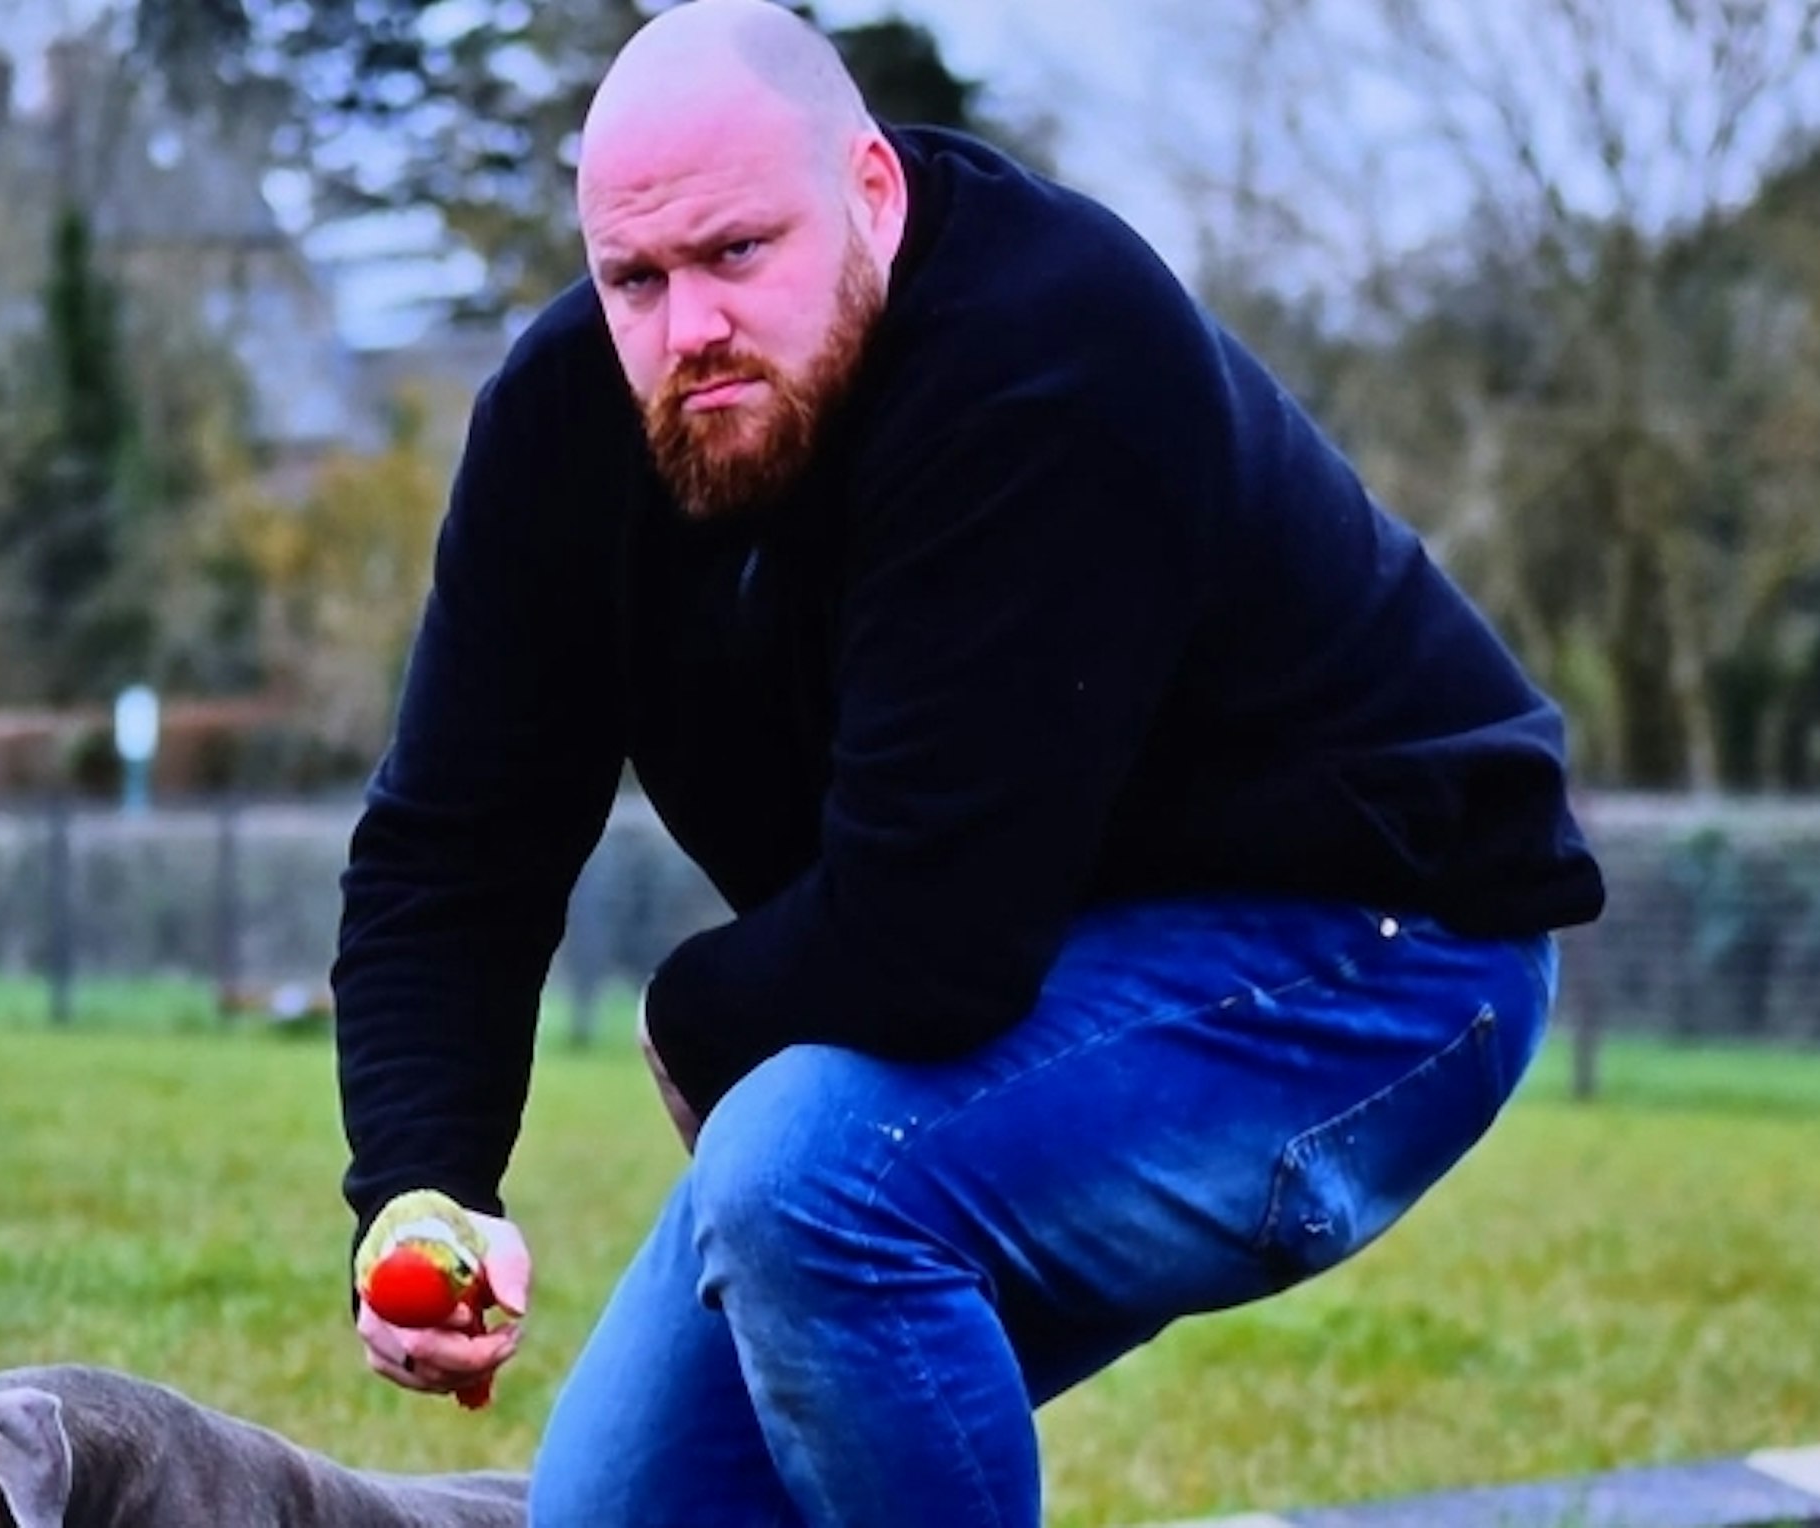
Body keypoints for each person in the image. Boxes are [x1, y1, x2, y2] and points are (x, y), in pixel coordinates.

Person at [329, 1, 1607, 1522]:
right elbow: (452, 841)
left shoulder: (1047, 352)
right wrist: (421, 1179)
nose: (689, 327)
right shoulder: (564, 421)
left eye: (738, 252)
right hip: (1045, 950)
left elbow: (928, 941)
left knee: (809, 1181)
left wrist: (689, 1014)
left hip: (1375, 953)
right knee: (617, 1512)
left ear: (871, 191)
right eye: (637, 279)